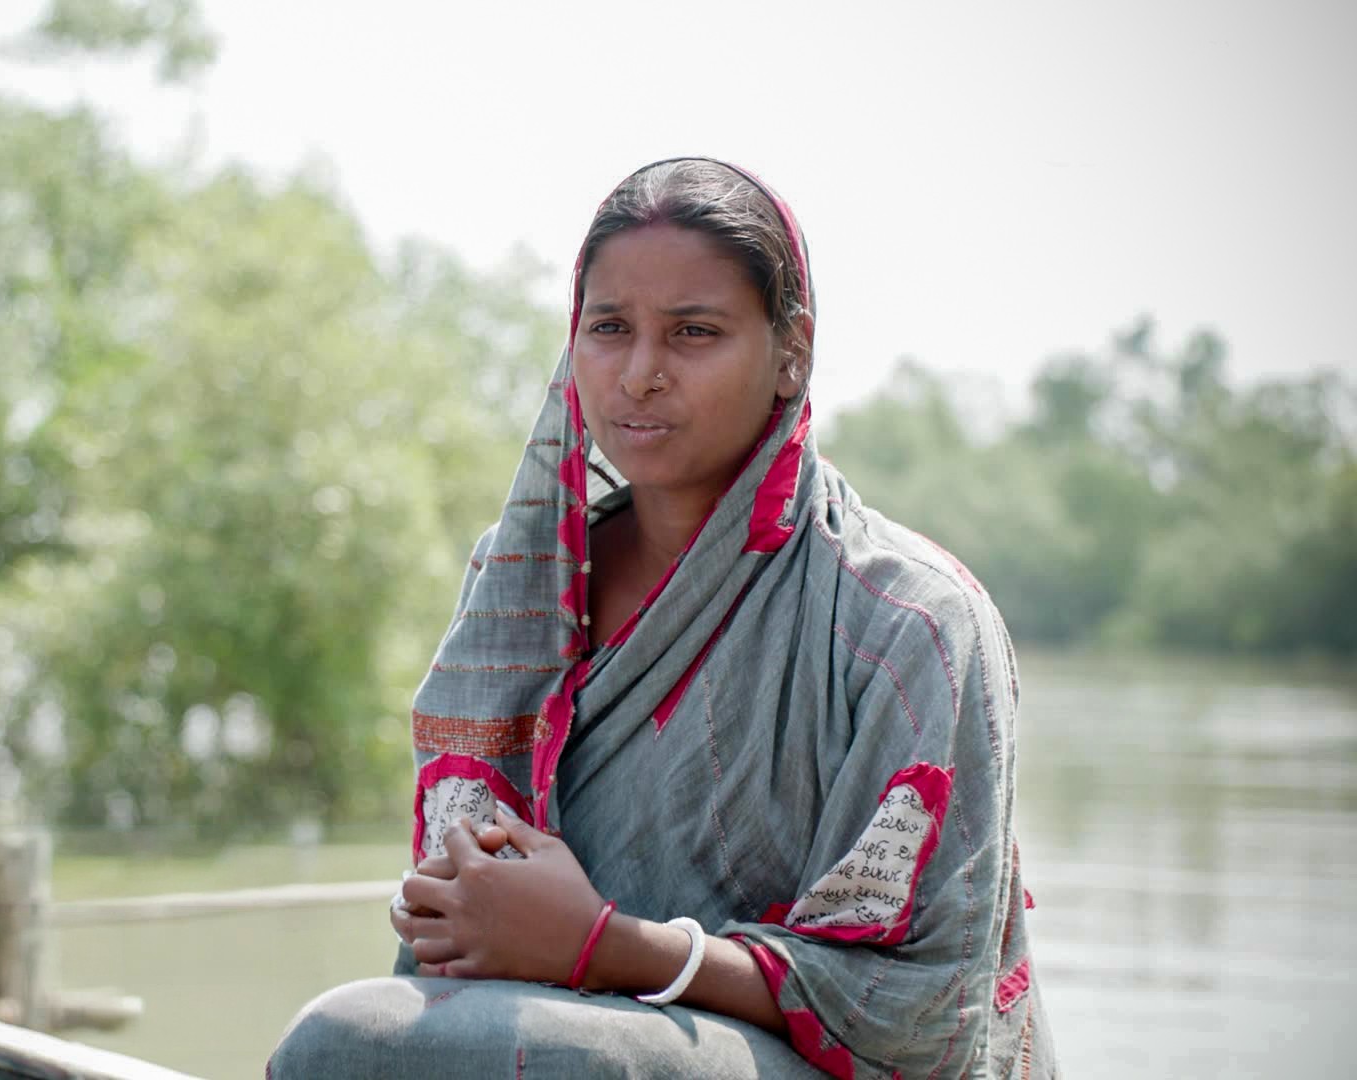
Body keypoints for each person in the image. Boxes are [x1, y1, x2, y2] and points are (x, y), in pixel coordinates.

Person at [269, 158, 1055, 1078]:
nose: (640, 374)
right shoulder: (517, 587)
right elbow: (462, 919)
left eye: (694, 332)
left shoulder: (911, 621)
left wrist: (609, 947)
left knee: (349, 1046)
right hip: (557, 1022)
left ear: (791, 350)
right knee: (361, 1041)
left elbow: (921, 1014)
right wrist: (462, 910)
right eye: (609, 328)